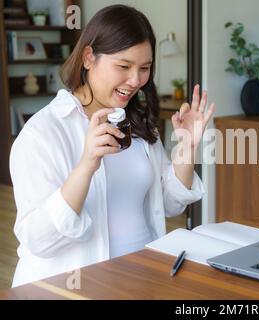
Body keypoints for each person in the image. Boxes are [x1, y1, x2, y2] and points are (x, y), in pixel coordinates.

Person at [9, 5, 215, 287]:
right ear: (89, 57)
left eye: (144, 68)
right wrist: (86, 167)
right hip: (75, 289)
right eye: (123, 66)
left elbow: (169, 203)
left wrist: (188, 148)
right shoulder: (42, 133)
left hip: (142, 279)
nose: (135, 81)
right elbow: (38, 240)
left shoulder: (137, 122)